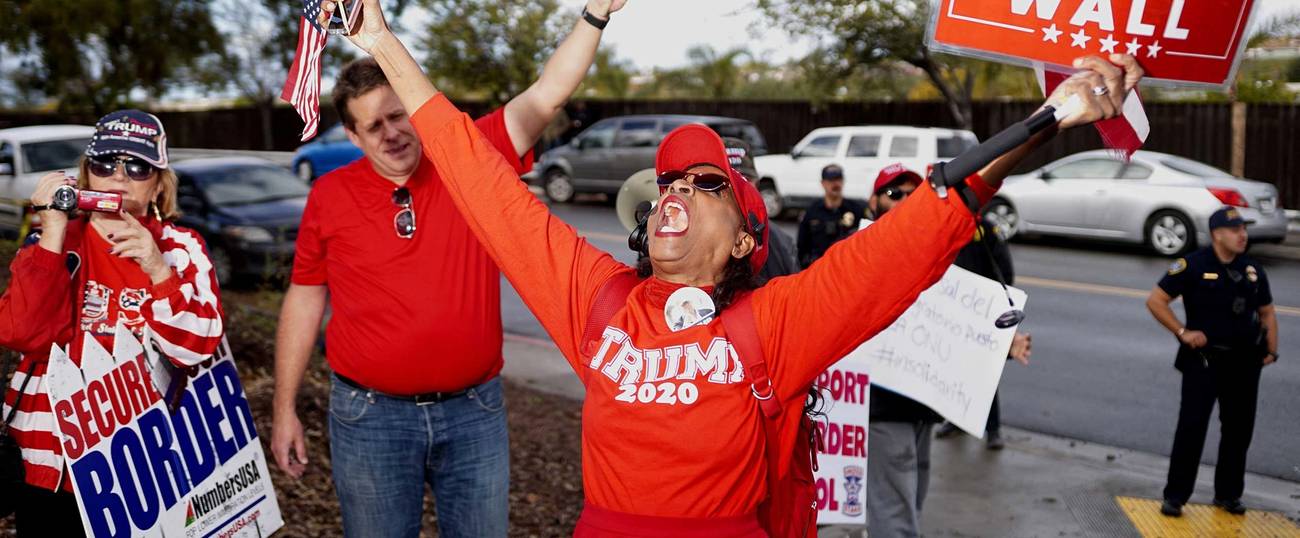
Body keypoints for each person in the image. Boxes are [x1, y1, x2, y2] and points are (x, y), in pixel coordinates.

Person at [322, 0, 1142, 532]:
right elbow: (475, 176)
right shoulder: (597, 302)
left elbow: (913, 239)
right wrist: (382, 39)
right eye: (670, 180)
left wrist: (1050, 118)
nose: (676, 187)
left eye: (705, 182)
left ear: (747, 239)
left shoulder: (773, 324)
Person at [270, 1, 628, 536]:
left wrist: (595, 13)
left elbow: (546, 95)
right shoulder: (330, 195)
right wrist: (284, 408)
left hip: (473, 414)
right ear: (352, 136)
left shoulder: (470, 155)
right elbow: (304, 296)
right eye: (373, 126)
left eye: (398, 116)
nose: (391, 134)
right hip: (369, 418)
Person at [0, 110, 224, 537]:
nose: (118, 177)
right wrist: (51, 233)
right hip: (50, 460)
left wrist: (158, 269)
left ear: (159, 183)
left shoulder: (181, 249)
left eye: (137, 166)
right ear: (87, 175)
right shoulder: (56, 240)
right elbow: (18, 333)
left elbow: (196, 348)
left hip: (139, 463)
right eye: (105, 164)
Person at [863, 165, 1032, 534]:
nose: (904, 202)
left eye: (912, 194)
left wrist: (1002, 343)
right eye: (895, 195)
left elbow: (954, 321)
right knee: (895, 514)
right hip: (883, 406)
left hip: (923, 403)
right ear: (872, 202)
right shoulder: (861, 251)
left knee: (914, 498)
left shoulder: (934, 250)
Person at [1146, 207, 1278, 518]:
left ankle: (1228, 495)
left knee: (1238, 430)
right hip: (1203, 361)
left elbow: (1267, 311)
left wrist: (1272, 349)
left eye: (1244, 229)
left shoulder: (1253, 269)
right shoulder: (1192, 264)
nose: (1242, 235)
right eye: (1235, 230)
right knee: (1191, 428)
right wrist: (1182, 331)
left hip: (1245, 362)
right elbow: (1156, 300)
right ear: (1217, 234)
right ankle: (1176, 496)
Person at [934, 217, 1030, 450]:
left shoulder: (986, 229)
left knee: (984, 374)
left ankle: (993, 429)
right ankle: (955, 420)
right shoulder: (946, 227)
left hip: (982, 312)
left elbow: (1005, 272)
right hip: (952, 313)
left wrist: (992, 303)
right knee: (953, 368)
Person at [723, 137, 799, 282]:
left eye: (745, 179)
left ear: (757, 183)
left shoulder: (781, 242)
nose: (738, 188)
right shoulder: (693, 242)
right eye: (729, 180)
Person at [796, 164, 865, 268]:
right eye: (831, 180)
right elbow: (802, 247)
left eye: (838, 179)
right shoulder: (812, 212)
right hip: (818, 268)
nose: (835, 184)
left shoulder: (856, 210)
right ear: (823, 183)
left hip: (847, 267)